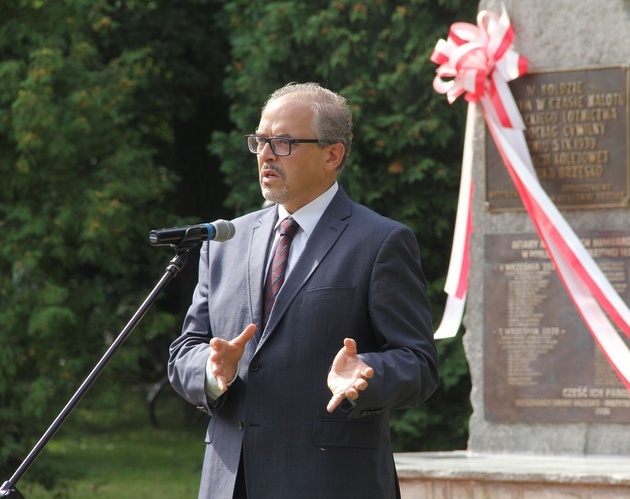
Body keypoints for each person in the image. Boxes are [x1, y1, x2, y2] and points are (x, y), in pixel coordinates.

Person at [168, 82, 440, 498]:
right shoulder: (225, 241)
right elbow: (186, 349)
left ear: (333, 155)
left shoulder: (380, 242)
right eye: (260, 141)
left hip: (330, 481)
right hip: (230, 482)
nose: (266, 154)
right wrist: (211, 370)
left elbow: (419, 363)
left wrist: (367, 373)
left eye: (283, 142)